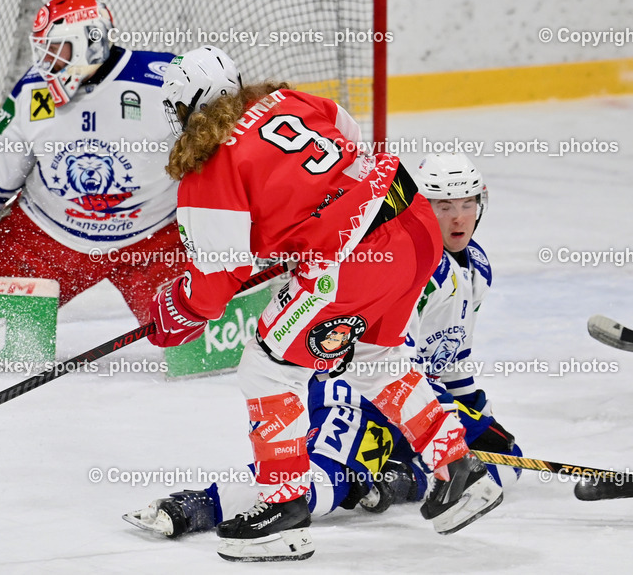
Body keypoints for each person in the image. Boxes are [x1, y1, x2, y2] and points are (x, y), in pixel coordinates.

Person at [141, 47, 503, 562]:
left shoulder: (210, 166)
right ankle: (457, 465)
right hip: (414, 219)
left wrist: (175, 310)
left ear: (183, 109)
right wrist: (300, 232)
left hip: (352, 257)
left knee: (267, 366)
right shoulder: (290, 101)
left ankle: (283, 510)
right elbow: (352, 145)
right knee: (375, 357)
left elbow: (215, 283)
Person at [126, 153, 523, 538]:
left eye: (468, 203)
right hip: (352, 392)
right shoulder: (418, 267)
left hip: (406, 403)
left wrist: (481, 417)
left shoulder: (476, 268)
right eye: (443, 205)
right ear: (422, 203)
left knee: (506, 465)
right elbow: (386, 360)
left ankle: (401, 479)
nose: (458, 217)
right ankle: (199, 506)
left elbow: (451, 358)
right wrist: (459, 420)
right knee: (328, 481)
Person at [0, 0, 183, 324]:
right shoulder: (32, 93)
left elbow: (225, 148)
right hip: (45, 237)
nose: (47, 64)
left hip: (154, 240)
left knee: (195, 333)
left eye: (57, 52)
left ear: (92, 43)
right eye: (44, 52)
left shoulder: (167, 81)